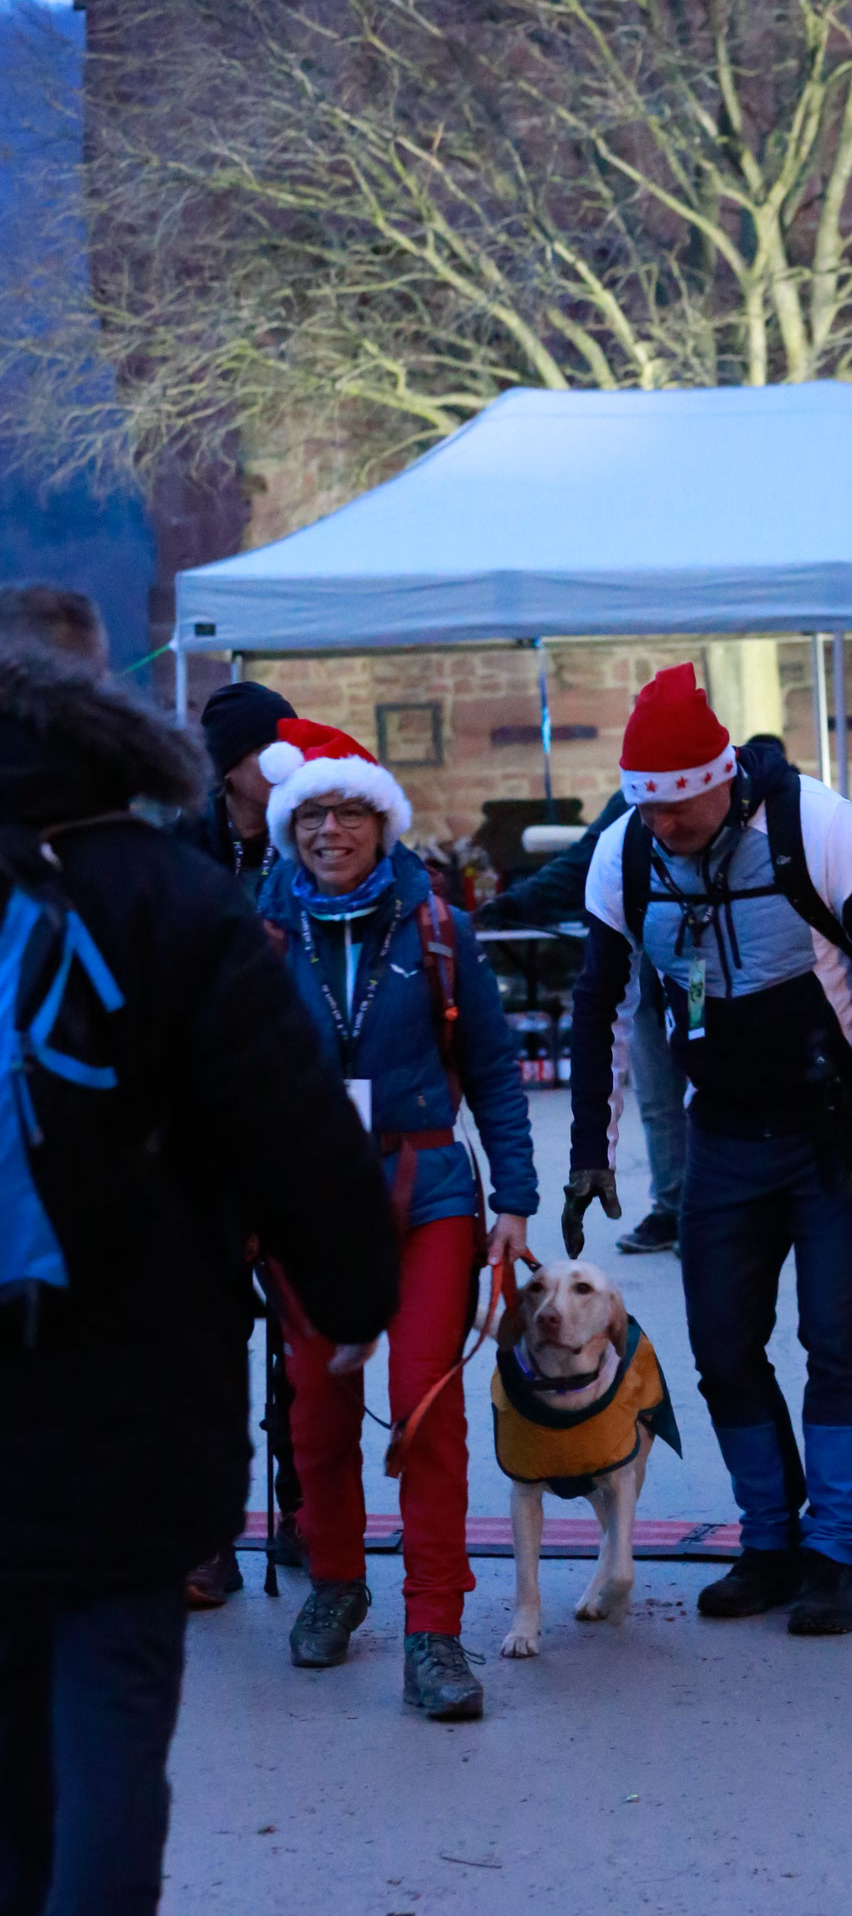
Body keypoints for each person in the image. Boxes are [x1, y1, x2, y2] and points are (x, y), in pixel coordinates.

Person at [0, 634, 399, 1916]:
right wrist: (355, 1292)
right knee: (111, 1709)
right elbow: (288, 1120)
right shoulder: (169, 890)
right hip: (131, 1373)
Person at [565, 665, 852, 1636]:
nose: (664, 825)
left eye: (679, 806)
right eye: (647, 808)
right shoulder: (624, 852)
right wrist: (591, 1148)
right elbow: (598, 1001)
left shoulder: (818, 824)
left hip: (830, 1135)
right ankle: (768, 1542)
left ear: (720, 779)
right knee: (723, 1349)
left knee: (836, 1342)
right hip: (720, 1136)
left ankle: (835, 1553)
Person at [258, 718, 538, 1718]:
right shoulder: (258, 938)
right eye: (312, 815)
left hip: (428, 1191)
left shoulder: (437, 929)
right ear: (290, 829)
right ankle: (336, 1579)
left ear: (382, 823)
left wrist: (514, 1199)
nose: (330, 830)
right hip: (306, 1199)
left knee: (424, 1406)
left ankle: (435, 1632)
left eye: (349, 812)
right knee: (316, 1408)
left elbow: (495, 1069)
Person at [175, 678, 304, 1607]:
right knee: (205, 1343)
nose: (288, 757)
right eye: (270, 746)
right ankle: (207, 1535)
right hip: (202, 1131)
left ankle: (303, 1508)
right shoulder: (181, 851)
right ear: (230, 767)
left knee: (305, 1336)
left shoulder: (318, 830)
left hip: (299, 1115)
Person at [481, 788, 687, 1256]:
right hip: (651, 963)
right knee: (658, 1099)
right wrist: (517, 903)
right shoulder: (632, 797)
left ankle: (717, 1212)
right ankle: (674, 1207)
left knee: (713, 1093)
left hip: (718, 969)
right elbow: (585, 859)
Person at [178, 679, 298, 901]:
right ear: (228, 767)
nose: (287, 764)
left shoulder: (310, 835)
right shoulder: (184, 847)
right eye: (267, 752)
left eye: (291, 749)